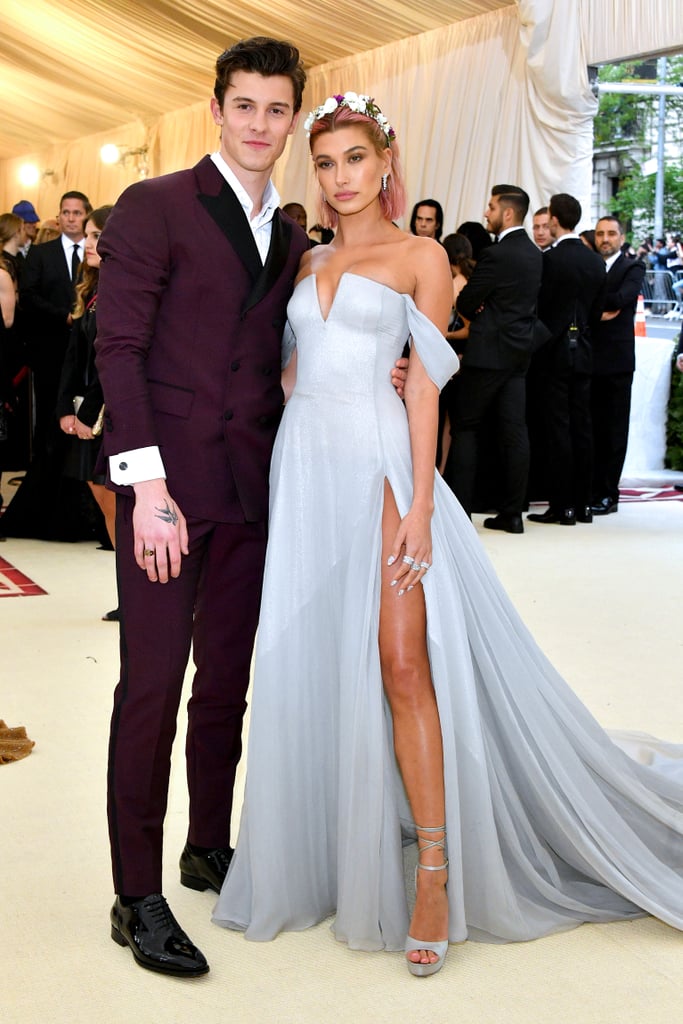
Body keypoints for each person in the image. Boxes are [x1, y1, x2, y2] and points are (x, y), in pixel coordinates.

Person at [213, 93, 683, 977]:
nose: (339, 177)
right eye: (324, 163)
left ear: (386, 162)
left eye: (354, 159)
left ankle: (432, 864)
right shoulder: (304, 258)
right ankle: (319, 846)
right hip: (307, 468)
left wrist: (422, 499)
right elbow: (285, 374)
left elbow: (424, 384)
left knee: (401, 659)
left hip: (386, 468)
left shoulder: (422, 255)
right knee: (311, 656)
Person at [95, 37, 311, 979]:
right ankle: (134, 892)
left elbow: (277, 356)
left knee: (225, 683)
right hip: (165, 492)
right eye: (245, 106)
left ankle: (206, 843)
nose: (260, 125)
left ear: (292, 118)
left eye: (276, 110)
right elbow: (119, 349)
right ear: (215, 107)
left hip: (250, 491)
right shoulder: (154, 205)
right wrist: (145, 489)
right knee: (151, 689)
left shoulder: (294, 231)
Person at [445, 184, 545, 533]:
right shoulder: (535, 254)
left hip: (487, 354)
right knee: (515, 433)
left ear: (507, 213)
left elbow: (466, 302)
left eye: (490, 207)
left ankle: (461, 513)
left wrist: (481, 305)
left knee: (466, 428)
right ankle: (513, 513)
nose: (485, 213)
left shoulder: (496, 254)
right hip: (519, 355)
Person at [526, 193, 606, 525]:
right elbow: (598, 311)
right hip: (585, 351)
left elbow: (539, 310)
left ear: (555, 220)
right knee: (583, 428)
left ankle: (563, 507)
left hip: (553, 354)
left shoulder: (549, 260)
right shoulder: (595, 261)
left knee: (558, 429)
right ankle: (584, 505)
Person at [56, 205, 118, 619]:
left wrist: (87, 413)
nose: (88, 243)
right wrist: (64, 408)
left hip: (110, 411)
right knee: (102, 494)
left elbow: (113, 360)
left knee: (115, 500)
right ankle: (132, 595)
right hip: (88, 410)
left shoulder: (122, 289)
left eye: (97, 236)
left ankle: (138, 596)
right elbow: (74, 355)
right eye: (88, 235)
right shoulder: (92, 289)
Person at [590, 216, 645, 516]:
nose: (605, 239)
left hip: (618, 363)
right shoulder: (593, 265)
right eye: (600, 234)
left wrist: (592, 307)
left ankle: (609, 494)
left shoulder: (633, 267)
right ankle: (592, 489)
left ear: (622, 238)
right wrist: (599, 308)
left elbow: (622, 299)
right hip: (590, 360)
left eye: (611, 234)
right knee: (592, 428)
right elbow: (592, 302)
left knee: (613, 431)